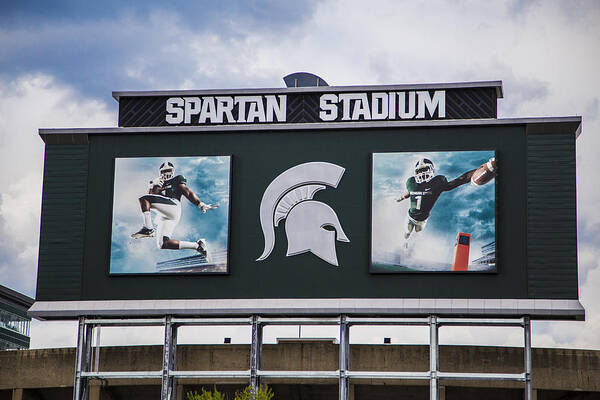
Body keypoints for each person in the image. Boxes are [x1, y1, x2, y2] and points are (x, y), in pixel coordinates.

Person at [131, 160, 217, 258]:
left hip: (173, 206)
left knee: (144, 198)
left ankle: (148, 229)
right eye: (163, 171)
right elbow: (150, 199)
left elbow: (187, 192)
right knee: (163, 244)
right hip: (165, 215)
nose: (166, 173)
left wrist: (200, 204)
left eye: (168, 170)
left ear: (172, 171)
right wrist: (152, 186)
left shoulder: (177, 179)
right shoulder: (158, 183)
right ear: (160, 173)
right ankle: (197, 246)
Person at [396, 158, 480, 243]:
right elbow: (411, 191)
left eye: (424, 169)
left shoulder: (437, 182)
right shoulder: (411, 182)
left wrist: (478, 171)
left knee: (417, 233)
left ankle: (411, 244)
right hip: (410, 216)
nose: (422, 173)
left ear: (431, 169)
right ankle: (405, 242)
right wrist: (402, 197)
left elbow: (461, 179)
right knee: (407, 232)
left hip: (423, 219)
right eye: (419, 171)